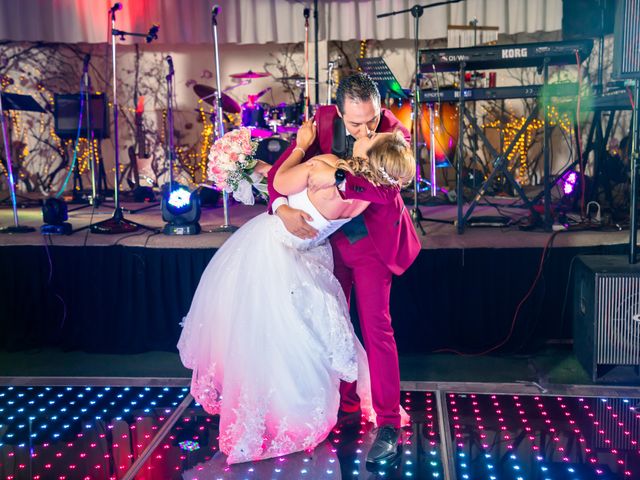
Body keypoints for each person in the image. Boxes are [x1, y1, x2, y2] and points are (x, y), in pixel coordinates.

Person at [178, 120, 415, 464]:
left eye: (371, 136)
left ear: (369, 157)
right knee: (296, 341)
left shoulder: (325, 166)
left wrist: (301, 145)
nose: (365, 132)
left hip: (273, 248)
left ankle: (264, 411)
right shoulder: (365, 195)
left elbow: (279, 182)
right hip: (308, 256)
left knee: (257, 335)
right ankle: (290, 408)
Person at [267, 72, 422, 466]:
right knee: (332, 323)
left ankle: (388, 422)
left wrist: (337, 174)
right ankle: (345, 404)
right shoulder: (319, 123)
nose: (365, 129)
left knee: (377, 328)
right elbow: (279, 175)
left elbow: (386, 187)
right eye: (355, 123)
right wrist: (280, 208)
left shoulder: (393, 131)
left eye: (371, 120)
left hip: (372, 245)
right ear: (338, 112)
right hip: (329, 245)